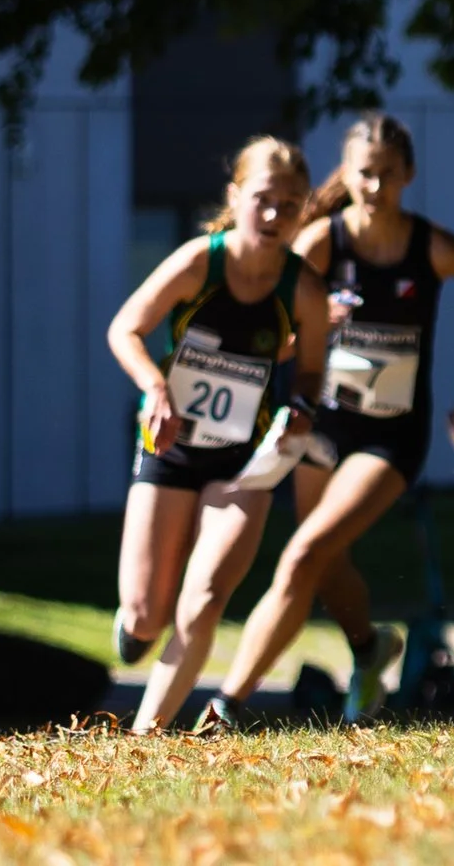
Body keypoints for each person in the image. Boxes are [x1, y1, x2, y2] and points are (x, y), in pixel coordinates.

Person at [202, 112, 454, 728]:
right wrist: (312, 328)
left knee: (302, 555)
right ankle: (371, 650)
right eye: (363, 175)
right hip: (322, 424)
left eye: (387, 176)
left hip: (390, 436)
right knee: (323, 564)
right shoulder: (322, 244)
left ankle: (227, 704)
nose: (374, 188)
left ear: (409, 177)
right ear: (346, 175)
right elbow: (276, 329)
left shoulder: (431, 247)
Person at [108, 137, 329, 733]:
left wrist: (303, 408)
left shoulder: (303, 288)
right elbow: (126, 328)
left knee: (203, 601)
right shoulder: (197, 263)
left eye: (289, 204)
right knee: (148, 614)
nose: (275, 215)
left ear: (303, 209)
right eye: (263, 200)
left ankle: (145, 737)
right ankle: (134, 627)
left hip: (243, 462)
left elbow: (310, 371)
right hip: (172, 447)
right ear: (236, 197)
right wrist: (156, 388)